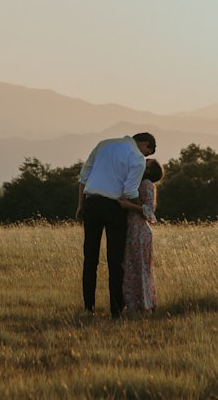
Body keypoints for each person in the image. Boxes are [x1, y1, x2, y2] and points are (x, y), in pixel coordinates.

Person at [76, 132, 156, 318]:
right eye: (147, 151)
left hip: (92, 204)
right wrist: (138, 207)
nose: (145, 157)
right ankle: (116, 310)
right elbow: (129, 190)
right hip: (114, 208)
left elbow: (83, 176)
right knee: (115, 261)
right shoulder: (136, 158)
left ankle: (89, 307)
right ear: (144, 144)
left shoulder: (104, 143)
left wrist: (80, 205)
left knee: (90, 259)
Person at [118, 158, 163, 313]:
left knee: (139, 268)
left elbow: (149, 211)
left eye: (146, 162)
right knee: (130, 268)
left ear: (149, 170)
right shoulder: (136, 183)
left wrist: (128, 205)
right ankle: (133, 304)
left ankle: (143, 305)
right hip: (131, 229)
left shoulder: (147, 184)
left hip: (139, 231)